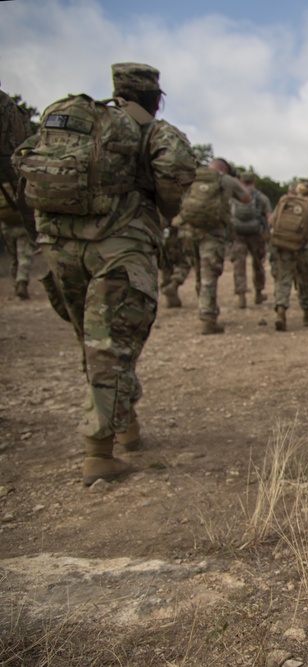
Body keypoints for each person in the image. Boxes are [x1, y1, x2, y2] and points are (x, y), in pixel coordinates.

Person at [13, 62, 196, 485]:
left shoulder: (76, 122)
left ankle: (125, 420)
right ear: (156, 97)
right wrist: (161, 209)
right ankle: (99, 451)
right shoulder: (152, 129)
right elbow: (177, 168)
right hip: (118, 247)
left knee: (93, 338)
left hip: (60, 245)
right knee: (111, 343)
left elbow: (24, 162)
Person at [177, 157, 250, 334]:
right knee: (209, 274)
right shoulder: (226, 180)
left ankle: (203, 309)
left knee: (198, 273)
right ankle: (207, 318)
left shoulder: (192, 175)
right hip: (212, 232)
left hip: (188, 229)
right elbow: (246, 198)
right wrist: (237, 181)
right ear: (225, 169)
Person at [270, 180, 308, 331]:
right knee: (306, 280)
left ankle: (281, 310)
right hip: (305, 248)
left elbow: (271, 221)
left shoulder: (284, 203)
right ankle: (306, 316)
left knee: (283, 279)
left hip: (283, 246)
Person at [0, 82, 35, 299]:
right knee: (24, 250)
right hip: (15, 200)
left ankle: (16, 281)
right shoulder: (8, 106)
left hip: (5, 214)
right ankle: (21, 280)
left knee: (13, 251)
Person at [229, 171, 271, 308]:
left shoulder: (234, 196)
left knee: (239, 265)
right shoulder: (261, 197)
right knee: (258, 264)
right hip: (256, 234)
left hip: (237, 234)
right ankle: (258, 293)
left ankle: (241, 296)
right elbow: (269, 218)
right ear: (254, 181)